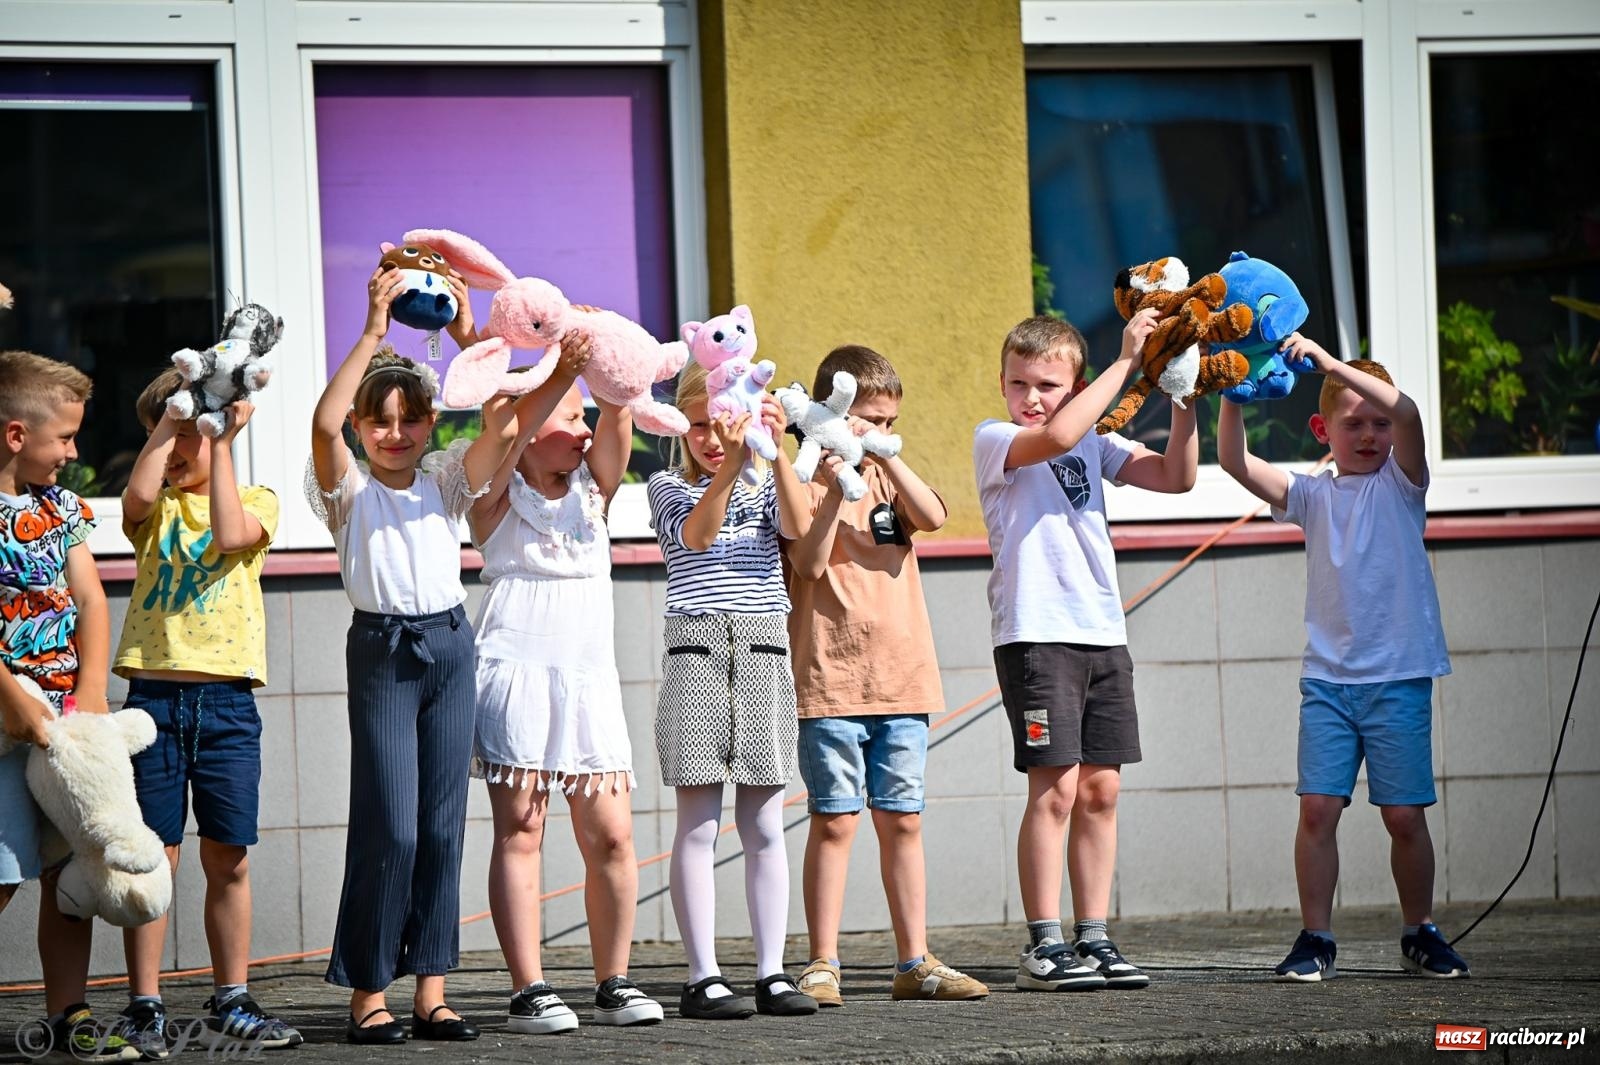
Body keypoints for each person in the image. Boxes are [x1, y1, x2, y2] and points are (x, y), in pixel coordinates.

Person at [306, 266, 548, 1045]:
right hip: (381, 650)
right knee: (392, 826)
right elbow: (322, 424)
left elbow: (505, 427)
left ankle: (431, 992)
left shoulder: (444, 481)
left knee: (443, 826)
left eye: (411, 418)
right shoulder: (347, 491)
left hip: (450, 645)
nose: (396, 432)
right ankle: (368, 993)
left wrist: (475, 335)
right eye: (381, 420)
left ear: (430, 421)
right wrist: (374, 330)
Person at [1216, 333, 1467, 982]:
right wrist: (1234, 398)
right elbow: (1237, 463)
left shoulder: (1403, 482)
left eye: (1377, 423)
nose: (1371, 434)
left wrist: (1331, 363)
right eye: (1353, 423)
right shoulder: (1313, 494)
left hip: (1398, 678)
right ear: (1322, 428)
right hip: (1328, 683)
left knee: (1403, 815)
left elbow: (1409, 411)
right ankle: (1315, 937)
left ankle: (1420, 930)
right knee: (1317, 810)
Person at [973, 310, 1189, 993]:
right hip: (1037, 635)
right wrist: (1131, 361)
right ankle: (1044, 944)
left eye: (1047, 383)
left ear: (1076, 383)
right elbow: (1059, 431)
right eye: (1018, 382)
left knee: (1101, 788)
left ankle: (1093, 936)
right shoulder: (1000, 437)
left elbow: (1177, 477)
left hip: (1102, 632)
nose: (1030, 396)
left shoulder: (1094, 440)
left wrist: (1181, 394)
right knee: (1056, 787)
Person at [450, 355, 664, 1032]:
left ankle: (614, 980)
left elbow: (620, 416)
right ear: (531, 423)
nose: (583, 429)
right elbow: (502, 442)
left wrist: (601, 356)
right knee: (522, 828)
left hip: (588, 677)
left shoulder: (594, 490)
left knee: (613, 834)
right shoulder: (494, 492)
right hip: (517, 669)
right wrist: (542, 386)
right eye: (571, 416)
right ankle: (529, 987)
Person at [781, 345, 987, 1006]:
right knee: (835, 819)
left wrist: (887, 454)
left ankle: (914, 960)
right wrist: (838, 484)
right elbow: (808, 567)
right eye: (868, 417)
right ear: (832, 411)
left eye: (890, 418)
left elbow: (931, 517)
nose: (878, 429)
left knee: (902, 820)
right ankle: (822, 960)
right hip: (831, 680)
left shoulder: (890, 476)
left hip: (902, 680)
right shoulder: (804, 474)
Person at [114, 370, 299, 1057]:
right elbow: (134, 495)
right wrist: (172, 423)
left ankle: (231, 996)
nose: (183, 446)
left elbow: (227, 531)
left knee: (228, 853)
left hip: (225, 703)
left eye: (194, 432)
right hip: (153, 703)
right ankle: (144, 1002)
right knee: (149, 858)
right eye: (171, 434)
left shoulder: (258, 499)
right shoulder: (152, 509)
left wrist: (219, 441)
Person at [646, 361, 818, 1021]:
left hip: (764, 644)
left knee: (765, 822)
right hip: (696, 648)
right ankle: (702, 974)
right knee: (699, 823)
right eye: (698, 426)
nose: (713, 438)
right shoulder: (665, 484)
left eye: (725, 425)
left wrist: (774, 454)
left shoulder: (765, 474)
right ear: (680, 426)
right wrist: (729, 463)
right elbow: (698, 535)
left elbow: (800, 532)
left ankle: (773, 971)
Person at [0, 350, 135, 1061]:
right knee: (1, 868)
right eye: (66, 438)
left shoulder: (60, 507)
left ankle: (68, 1009)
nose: (76, 452)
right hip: (5, 724)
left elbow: (88, 597)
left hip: (62, 724)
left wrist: (87, 692)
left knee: (65, 875)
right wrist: (14, 702)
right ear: (17, 435)